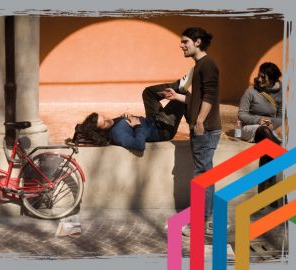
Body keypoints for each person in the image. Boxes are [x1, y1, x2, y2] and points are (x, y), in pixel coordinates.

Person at [161, 27, 221, 235]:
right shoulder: (200, 66)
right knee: (205, 174)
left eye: (185, 41)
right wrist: (176, 96)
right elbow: (196, 98)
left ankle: (199, 224)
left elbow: (210, 96)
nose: (181, 45)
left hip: (205, 128)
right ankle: (206, 221)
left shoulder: (207, 65)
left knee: (202, 176)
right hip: (203, 127)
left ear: (197, 42)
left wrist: (200, 121)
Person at [76, 82, 186, 151]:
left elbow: (80, 128)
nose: (107, 119)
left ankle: (179, 84)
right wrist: (138, 126)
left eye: (103, 116)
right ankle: (196, 125)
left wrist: (124, 117)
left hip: (152, 120)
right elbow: (139, 146)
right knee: (182, 98)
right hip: (162, 129)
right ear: (101, 131)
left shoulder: (112, 124)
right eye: (104, 123)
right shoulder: (117, 134)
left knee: (148, 93)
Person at [238, 62, 282, 207]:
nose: (259, 79)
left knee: (267, 145)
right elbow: (242, 114)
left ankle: (264, 192)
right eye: (259, 75)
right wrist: (258, 120)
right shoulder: (250, 91)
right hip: (251, 128)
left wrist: (272, 123)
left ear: (273, 80)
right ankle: (270, 191)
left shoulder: (279, 94)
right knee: (268, 137)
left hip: (269, 130)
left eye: (264, 77)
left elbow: (281, 117)